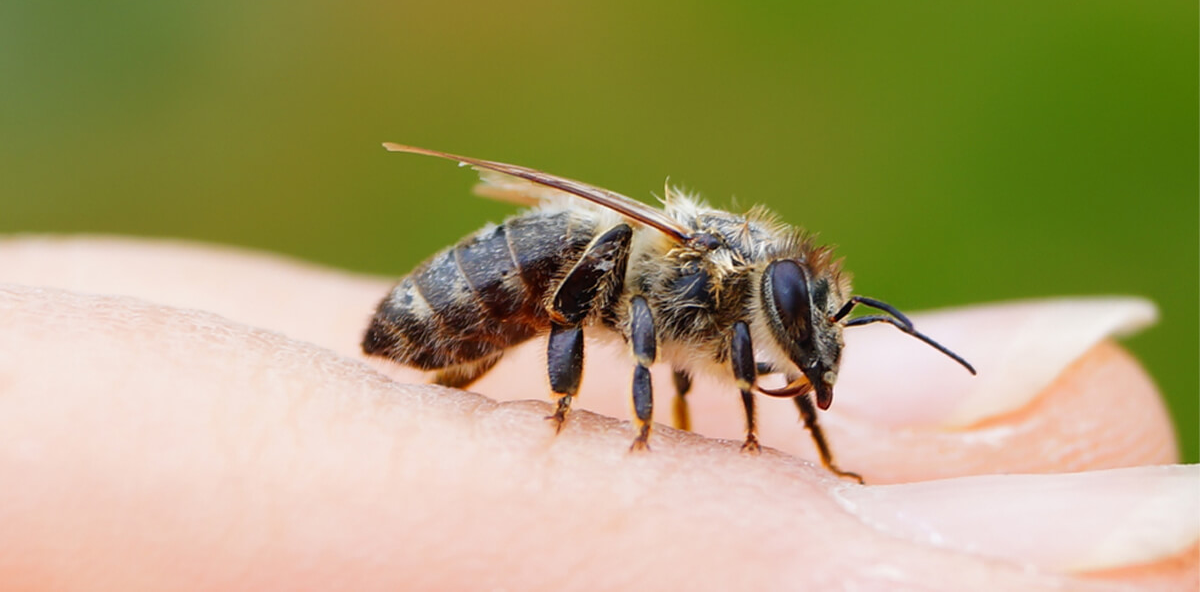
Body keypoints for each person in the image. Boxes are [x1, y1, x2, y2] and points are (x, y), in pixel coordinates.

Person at [0, 237, 1194, 589]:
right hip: (504, 286)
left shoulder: (733, 313)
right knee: (586, 292)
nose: (799, 343)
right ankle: (578, 417)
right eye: (799, 317)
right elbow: (625, 310)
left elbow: (695, 349)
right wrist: (619, 422)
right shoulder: (690, 276)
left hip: (539, 298)